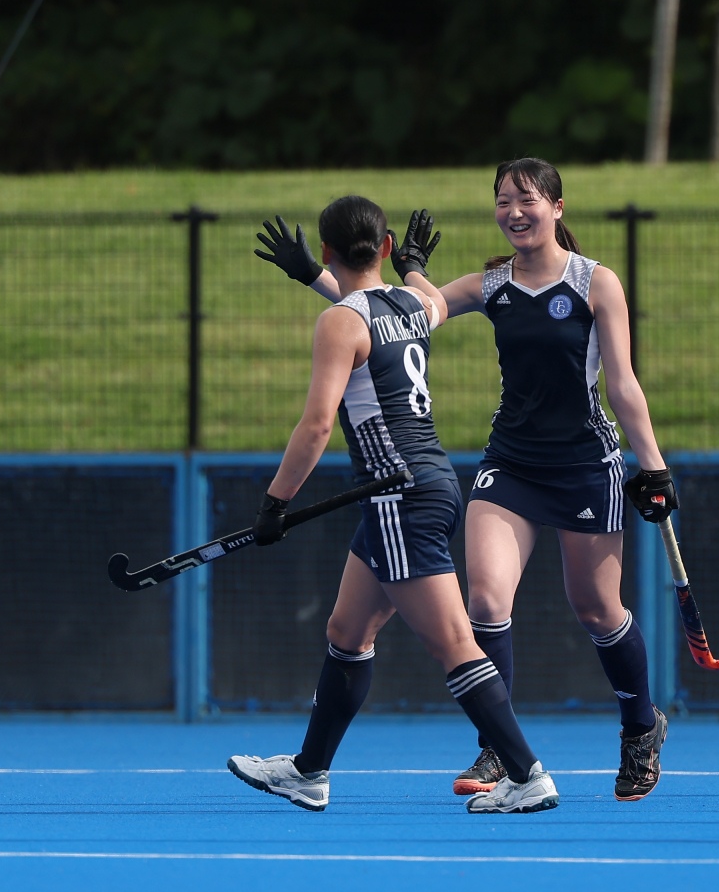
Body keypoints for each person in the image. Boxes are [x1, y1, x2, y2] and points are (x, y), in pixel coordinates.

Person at [261, 158, 678, 801]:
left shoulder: (595, 283)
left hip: (584, 466)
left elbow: (622, 384)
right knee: (484, 601)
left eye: (527, 200)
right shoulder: (493, 284)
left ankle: (640, 727)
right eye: (503, 201)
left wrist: (653, 466)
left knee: (597, 609)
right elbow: (395, 317)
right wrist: (321, 274)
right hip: (510, 463)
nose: (514, 212)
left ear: (557, 208)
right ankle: (499, 751)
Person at [227, 196, 557, 815]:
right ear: (384, 248)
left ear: (328, 250)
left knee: (453, 642)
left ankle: (526, 774)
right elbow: (401, 306)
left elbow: (317, 424)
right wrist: (409, 267)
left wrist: (275, 502)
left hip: (397, 497)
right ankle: (309, 772)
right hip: (431, 484)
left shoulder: (339, 324)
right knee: (347, 632)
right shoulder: (413, 304)